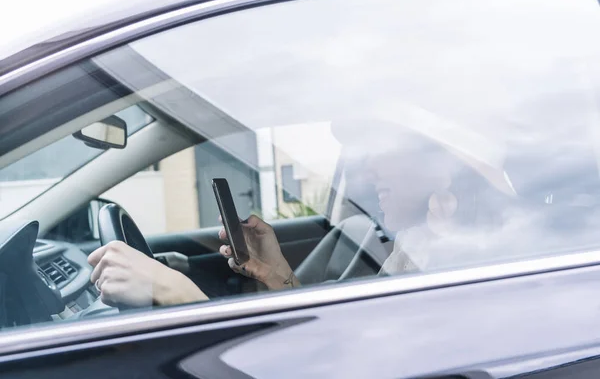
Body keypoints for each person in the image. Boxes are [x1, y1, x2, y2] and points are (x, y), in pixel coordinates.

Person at [88, 115, 516, 308]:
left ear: (440, 162)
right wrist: (278, 276)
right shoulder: (421, 240)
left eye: (381, 151)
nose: (367, 168)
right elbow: (338, 349)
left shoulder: (477, 269)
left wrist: (178, 295)